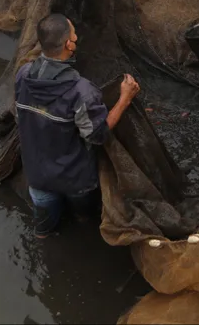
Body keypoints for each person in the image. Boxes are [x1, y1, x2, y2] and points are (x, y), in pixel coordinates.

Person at [15, 13, 141, 236]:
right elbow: (97, 135)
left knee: (42, 230)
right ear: (68, 44)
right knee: (83, 218)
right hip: (75, 180)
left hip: (37, 177)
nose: (76, 38)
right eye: (74, 34)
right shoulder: (81, 92)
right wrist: (125, 99)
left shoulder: (23, 75)